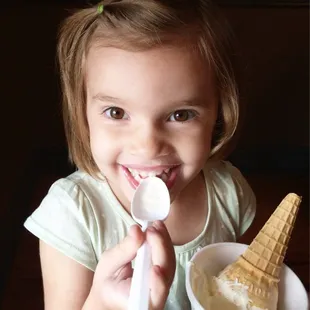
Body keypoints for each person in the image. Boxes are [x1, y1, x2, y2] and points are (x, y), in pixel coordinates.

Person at [24, 0, 256, 309]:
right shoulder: (71, 215)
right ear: (83, 113)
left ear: (219, 112)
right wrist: (102, 304)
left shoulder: (229, 193)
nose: (148, 146)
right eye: (116, 112)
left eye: (181, 115)